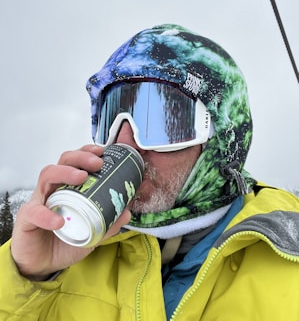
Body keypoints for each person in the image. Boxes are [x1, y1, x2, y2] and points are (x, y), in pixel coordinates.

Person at [1, 24, 299, 320]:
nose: (125, 143)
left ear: (219, 137)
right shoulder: (67, 254)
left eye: (163, 121)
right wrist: (27, 277)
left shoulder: (288, 262)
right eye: (112, 120)